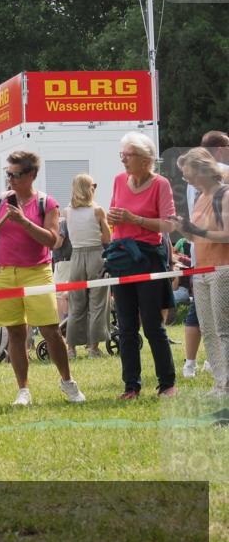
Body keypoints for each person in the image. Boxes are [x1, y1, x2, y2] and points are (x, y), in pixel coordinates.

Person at [0, 151, 86, 406]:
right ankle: (23, 390)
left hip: (36, 272)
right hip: (4, 274)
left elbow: (52, 241)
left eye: (16, 175)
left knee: (50, 330)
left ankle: (67, 381)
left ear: (31, 175)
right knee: (15, 332)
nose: (10, 179)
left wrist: (23, 221)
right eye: (8, 174)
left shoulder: (46, 203)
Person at [107, 133, 177, 399]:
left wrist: (134, 219)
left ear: (146, 159)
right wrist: (112, 217)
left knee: (152, 325)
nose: (123, 159)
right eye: (122, 155)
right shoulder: (118, 180)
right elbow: (114, 216)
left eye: (128, 155)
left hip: (148, 258)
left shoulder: (161, 184)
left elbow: (169, 225)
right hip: (122, 259)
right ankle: (131, 386)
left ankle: (167, 384)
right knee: (125, 327)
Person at [173, 147, 229, 397]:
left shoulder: (224, 195)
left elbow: (226, 235)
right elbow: (195, 238)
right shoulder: (200, 197)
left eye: (190, 175)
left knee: (223, 330)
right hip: (201, 269)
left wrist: (197, 231)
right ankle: (220, 383)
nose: (188, 180)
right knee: (208, 329)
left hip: (222, 269)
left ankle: (226, 384)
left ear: (203, 170)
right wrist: (184, 229)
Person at [63, 174, 111, 359]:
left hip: (76, 257)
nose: (94, 188)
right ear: (88, 188)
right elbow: (107, 238)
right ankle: (93, 348)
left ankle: (71, 349)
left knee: (76, 304)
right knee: (98, 303)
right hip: (96, 255)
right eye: (93, 185)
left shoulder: (67, 211)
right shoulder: (98, 210)